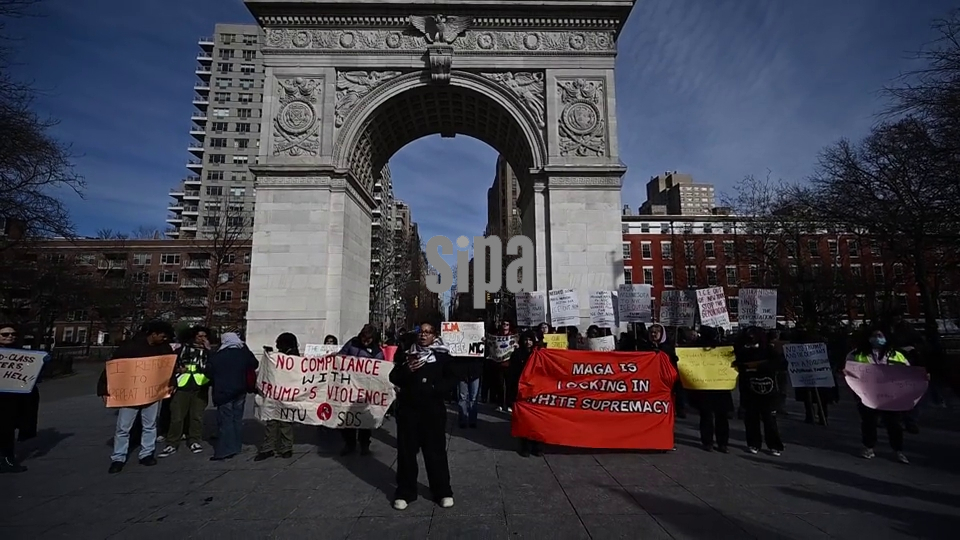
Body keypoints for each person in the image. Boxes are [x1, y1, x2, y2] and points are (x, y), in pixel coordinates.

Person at [390, 323, 455, 510]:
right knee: (406, 453)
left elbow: (451, 380)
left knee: (435, 453)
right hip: (409, 412)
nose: (423, 335)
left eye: (428, 332)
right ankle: (405, 492)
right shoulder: (406, 354)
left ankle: (442, 491)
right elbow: (394, 377)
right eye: (421, 332)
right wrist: (407, 370)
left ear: (434, 336)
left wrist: (435, 388)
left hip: (433, 412)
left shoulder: (443, 356)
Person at [98, 320, 175, 474]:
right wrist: (103, 390)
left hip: (151, 394)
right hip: (130, 395)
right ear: (153, 334)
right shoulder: (130, 347)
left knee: (150, 424)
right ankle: (118, 457)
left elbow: (169, 368)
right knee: (123, 427)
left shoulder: (163, 348)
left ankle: (146, 453)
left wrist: (171, 382)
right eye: (163, 336)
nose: (165, 339)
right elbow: (113, 367)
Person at [845, 328, 911, 464]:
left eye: (880, 335)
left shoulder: (896, 354)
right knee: (869, 422)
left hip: (891, 396)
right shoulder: (856, 354)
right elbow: (849, 370)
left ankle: (898, 450)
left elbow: (907, 371)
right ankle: (868, 447)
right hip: (867, 395)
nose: (877, 338)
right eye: (874, 335)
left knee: (894, 424)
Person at [0, 325, 48, 473]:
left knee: (7, 429)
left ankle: (7, 459)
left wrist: (41, 363)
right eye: (5, 334)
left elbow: (33, 375)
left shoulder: (23, 353)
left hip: (13, 399)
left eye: (13, 334)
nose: (10, 336)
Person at [204, 332, 259, 461]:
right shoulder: (243, 354)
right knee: (237, 420)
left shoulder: (218, 356)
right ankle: (236, 446)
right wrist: (244, 346)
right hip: (240, 390)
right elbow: (254, 364)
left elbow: (208, 372)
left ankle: (225, 450)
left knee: (226, 421)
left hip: (223, 392)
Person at [159, 326, 212, 457]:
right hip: (182, 386)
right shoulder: (181, 350)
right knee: (177, 417)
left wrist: (209, 350)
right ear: (193, 336)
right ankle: (172, 442)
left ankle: (194, 440)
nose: (202, 339)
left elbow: (215, 365)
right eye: (200, 336)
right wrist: (177, 371)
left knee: (196, 417)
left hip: (200, 386)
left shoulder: (209, 351)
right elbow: (168, 366)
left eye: (205, 336)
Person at [734, 327, 784, 456]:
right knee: (751, 419)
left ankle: (774, 445)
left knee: (770, 420)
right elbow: (737, 364)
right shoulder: (743, 351)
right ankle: (754, 443)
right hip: (749, 391)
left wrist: (757, 366)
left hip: (768, 391)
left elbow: (780, 363)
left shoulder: (769, 350)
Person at [337, 324, 384, 456]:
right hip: (349, 387)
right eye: (364, 337)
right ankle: (349, 443)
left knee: (364, 419)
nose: (365, 340)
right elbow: (341, 357)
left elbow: (380, 370)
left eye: (368, 338)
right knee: (348, 418)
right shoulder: (352, 343)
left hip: (365, 390)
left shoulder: (377, 352)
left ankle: (364, 444)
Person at [685, 326, 734, 452]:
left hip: (716, 386)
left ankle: (711, 442)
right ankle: (719, 443)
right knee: (716, 416)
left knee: (711, 416)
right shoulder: (698, 348)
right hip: (712, 386)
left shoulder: (723, 348)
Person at [255, 332, 300, 461]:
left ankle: (280, 447)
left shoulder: (292, 357)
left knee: (282, 422)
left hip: (284, 393)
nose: (277, 344)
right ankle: (277, 448)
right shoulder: (279, 356)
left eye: (279, 342)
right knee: (274, 421)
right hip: (275, 393)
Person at [507, 331, 543, 457]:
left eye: (530, 340)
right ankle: (525, 446)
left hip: (536, 391)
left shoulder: (539, 354)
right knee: (524, 420)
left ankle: (536, 446)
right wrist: (512, 394)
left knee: (537, 421)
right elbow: (511, 374)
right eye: (526, 340)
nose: (528, 342)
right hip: (521, 391)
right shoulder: (516, 354)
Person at [640, 323, 685, 418]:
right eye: (651, 332)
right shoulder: (644, 347)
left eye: (656, 332)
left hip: (667, 379)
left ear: (662, 334)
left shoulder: (669, 347)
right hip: (651, 378)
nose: (653, 334)